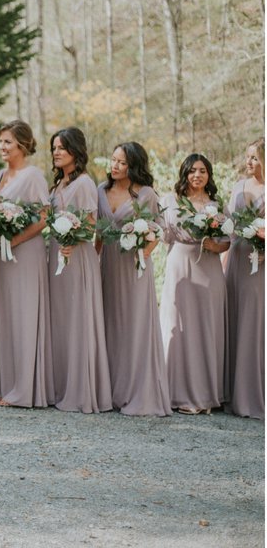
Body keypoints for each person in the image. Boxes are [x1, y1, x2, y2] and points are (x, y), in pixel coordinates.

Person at [97, 142, 171, 416]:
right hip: (107, 266)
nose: (115, 166)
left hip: (134, 268)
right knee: (109, 324)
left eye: (122, 162)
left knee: (135, 326)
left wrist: (143, 255)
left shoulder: (146, 194)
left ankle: (137, 391)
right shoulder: (100, 191)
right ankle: (111, 390)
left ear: (134, 166)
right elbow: (98, 233)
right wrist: (94, 262)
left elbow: (158, 231)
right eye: (113, 160)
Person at [47, 127, 112, 414]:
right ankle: (61, 384)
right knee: (60, 321)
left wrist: (72, 241)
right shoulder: (58, 183)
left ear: (75, 150)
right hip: (56, 256)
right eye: (54, 148)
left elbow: (89, 225)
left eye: (62, 147)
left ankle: (81, 390)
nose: (57, 152)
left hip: (76, 257)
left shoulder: (85, 183)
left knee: (77, 319)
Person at [160, 153, 230, 415]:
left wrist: (216, 245)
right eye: (192, 171)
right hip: (180, 264)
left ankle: (205, 394)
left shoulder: (216, 204)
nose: (197, 175)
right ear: (184, 174)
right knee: (178, 325)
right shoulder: (172, 201)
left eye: (202, 170)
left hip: (209, 267)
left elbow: (228, 240)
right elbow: (163, 236)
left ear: (208, 175)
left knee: (205, 327)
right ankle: (175, 392)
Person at [0, 120, 53, 408]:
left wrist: (15, 241)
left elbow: (43, 218)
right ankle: (9, 383)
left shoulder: (33, 176)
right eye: (1, 141)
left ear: (22, 145)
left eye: (8, 142)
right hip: (1, 255)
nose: (2, 146)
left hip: (25, 253)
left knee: (25, 316)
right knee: (7, 316)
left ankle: (26, 389)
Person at [224, 138, 264, 419]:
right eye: (248, 156)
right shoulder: (239, 186)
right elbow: (229, 224)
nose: (249, 162)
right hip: (238, 256)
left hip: (261, 262)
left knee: (255, 321)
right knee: (234, 317)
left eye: (255, 157)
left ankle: (252, 393)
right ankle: (231, 391)